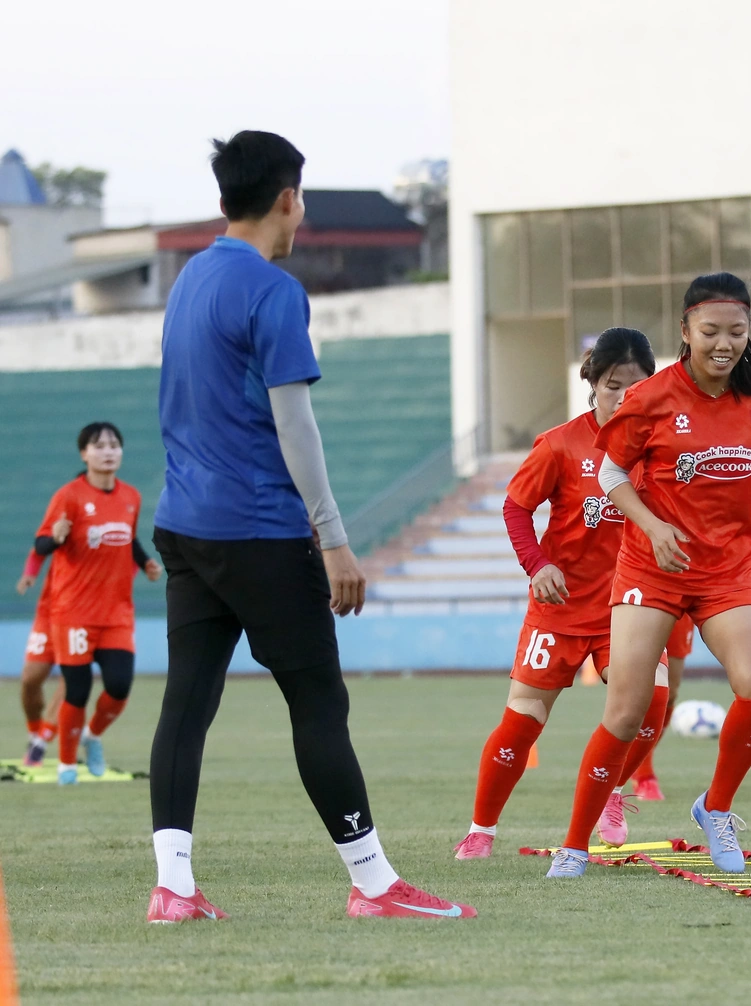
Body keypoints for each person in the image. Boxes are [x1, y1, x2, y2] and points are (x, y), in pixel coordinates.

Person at [147, 130, 471, 922]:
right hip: (258, 529)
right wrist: (334, 540)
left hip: (184, 526)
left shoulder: (188, 280)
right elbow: (295, 425)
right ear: (288, 198)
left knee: (186, 704)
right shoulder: (273, 290)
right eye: (302, 200)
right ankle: (374, 884)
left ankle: (173, 888)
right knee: (318, 703)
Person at [546, 272, 751, 878]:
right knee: (627, 713)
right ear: (686, 330)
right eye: (710, 331)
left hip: (729, 567)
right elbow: (610, 474)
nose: (724, 343)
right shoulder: (651, 397)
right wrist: (653, 527)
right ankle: (575, 844)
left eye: (737, 331)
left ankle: (716, 808)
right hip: (651, 570)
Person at [454, 328, 664, 860]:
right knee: (523, 719)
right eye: (613, 385)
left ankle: (613, 792)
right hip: (560, 606)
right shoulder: (560, 444)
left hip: (628, 607)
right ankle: (481, 830)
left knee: (654, 700)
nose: (624, 396)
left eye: (636, 386)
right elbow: (515, 507)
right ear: (592, 384)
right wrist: (537, 564)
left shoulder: (662, 448)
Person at [31, 423, 162, 784]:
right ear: (84, 454)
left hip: (116, 611)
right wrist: (55, 539)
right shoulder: (69, 496)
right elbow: (41, 544)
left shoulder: (131, 496)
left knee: (119, 687)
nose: (108, 451)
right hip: (73, 612)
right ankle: (66, 766)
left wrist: (145, 562)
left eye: (114, 445)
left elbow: (127, 538)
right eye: (99, 445)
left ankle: (92, 735)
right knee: (77, 690)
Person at [625, 613, 696, 801]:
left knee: (669, 693)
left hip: (681, 604)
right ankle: (643, 775)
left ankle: (639, 761)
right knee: (640, 691)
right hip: (639, 601)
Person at [17, 550, 66, 767]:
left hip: (83, 613)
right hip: (49, 611)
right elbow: (41, 545)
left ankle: (41, 744)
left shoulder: (113, 533)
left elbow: (130, 548)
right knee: (30, 678)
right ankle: (34, 733)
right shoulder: (65, 528)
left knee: (72, 677)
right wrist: (30, 572)